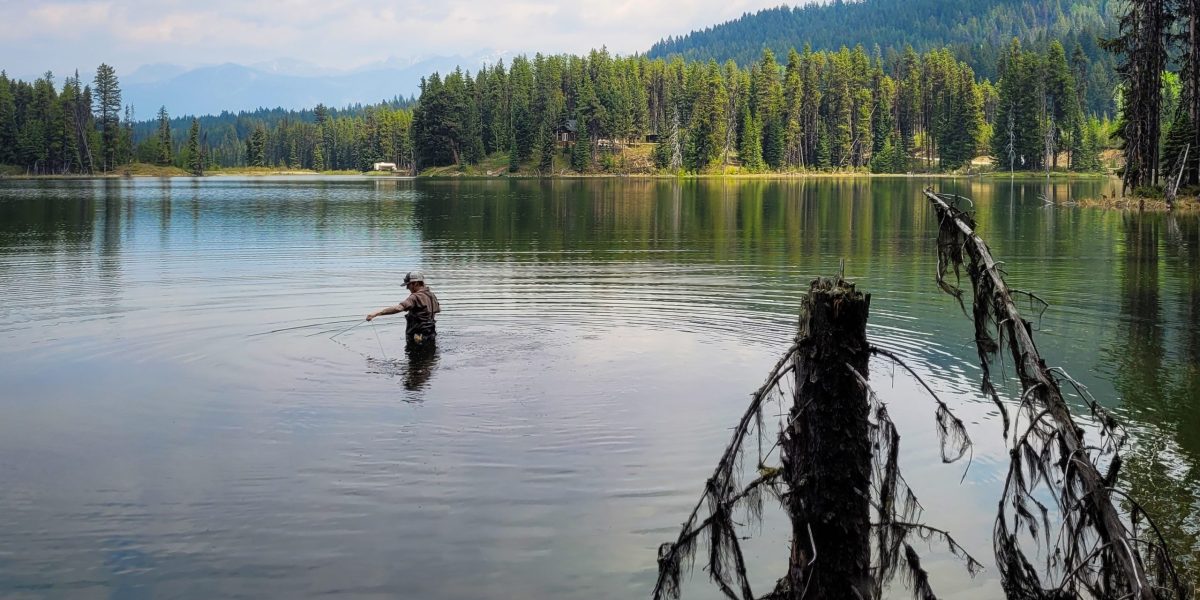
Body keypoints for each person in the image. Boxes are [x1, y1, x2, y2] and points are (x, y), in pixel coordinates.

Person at [366, 271, 441, 345]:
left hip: (417, 336)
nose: (407, 287)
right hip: (431, 333)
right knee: (429, 355)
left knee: (414, 356)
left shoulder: (415, 297)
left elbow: (399, 308)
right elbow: (435, 312)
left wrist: (376, 313)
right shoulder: (432, 295)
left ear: (416, 283)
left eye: (408, 285)